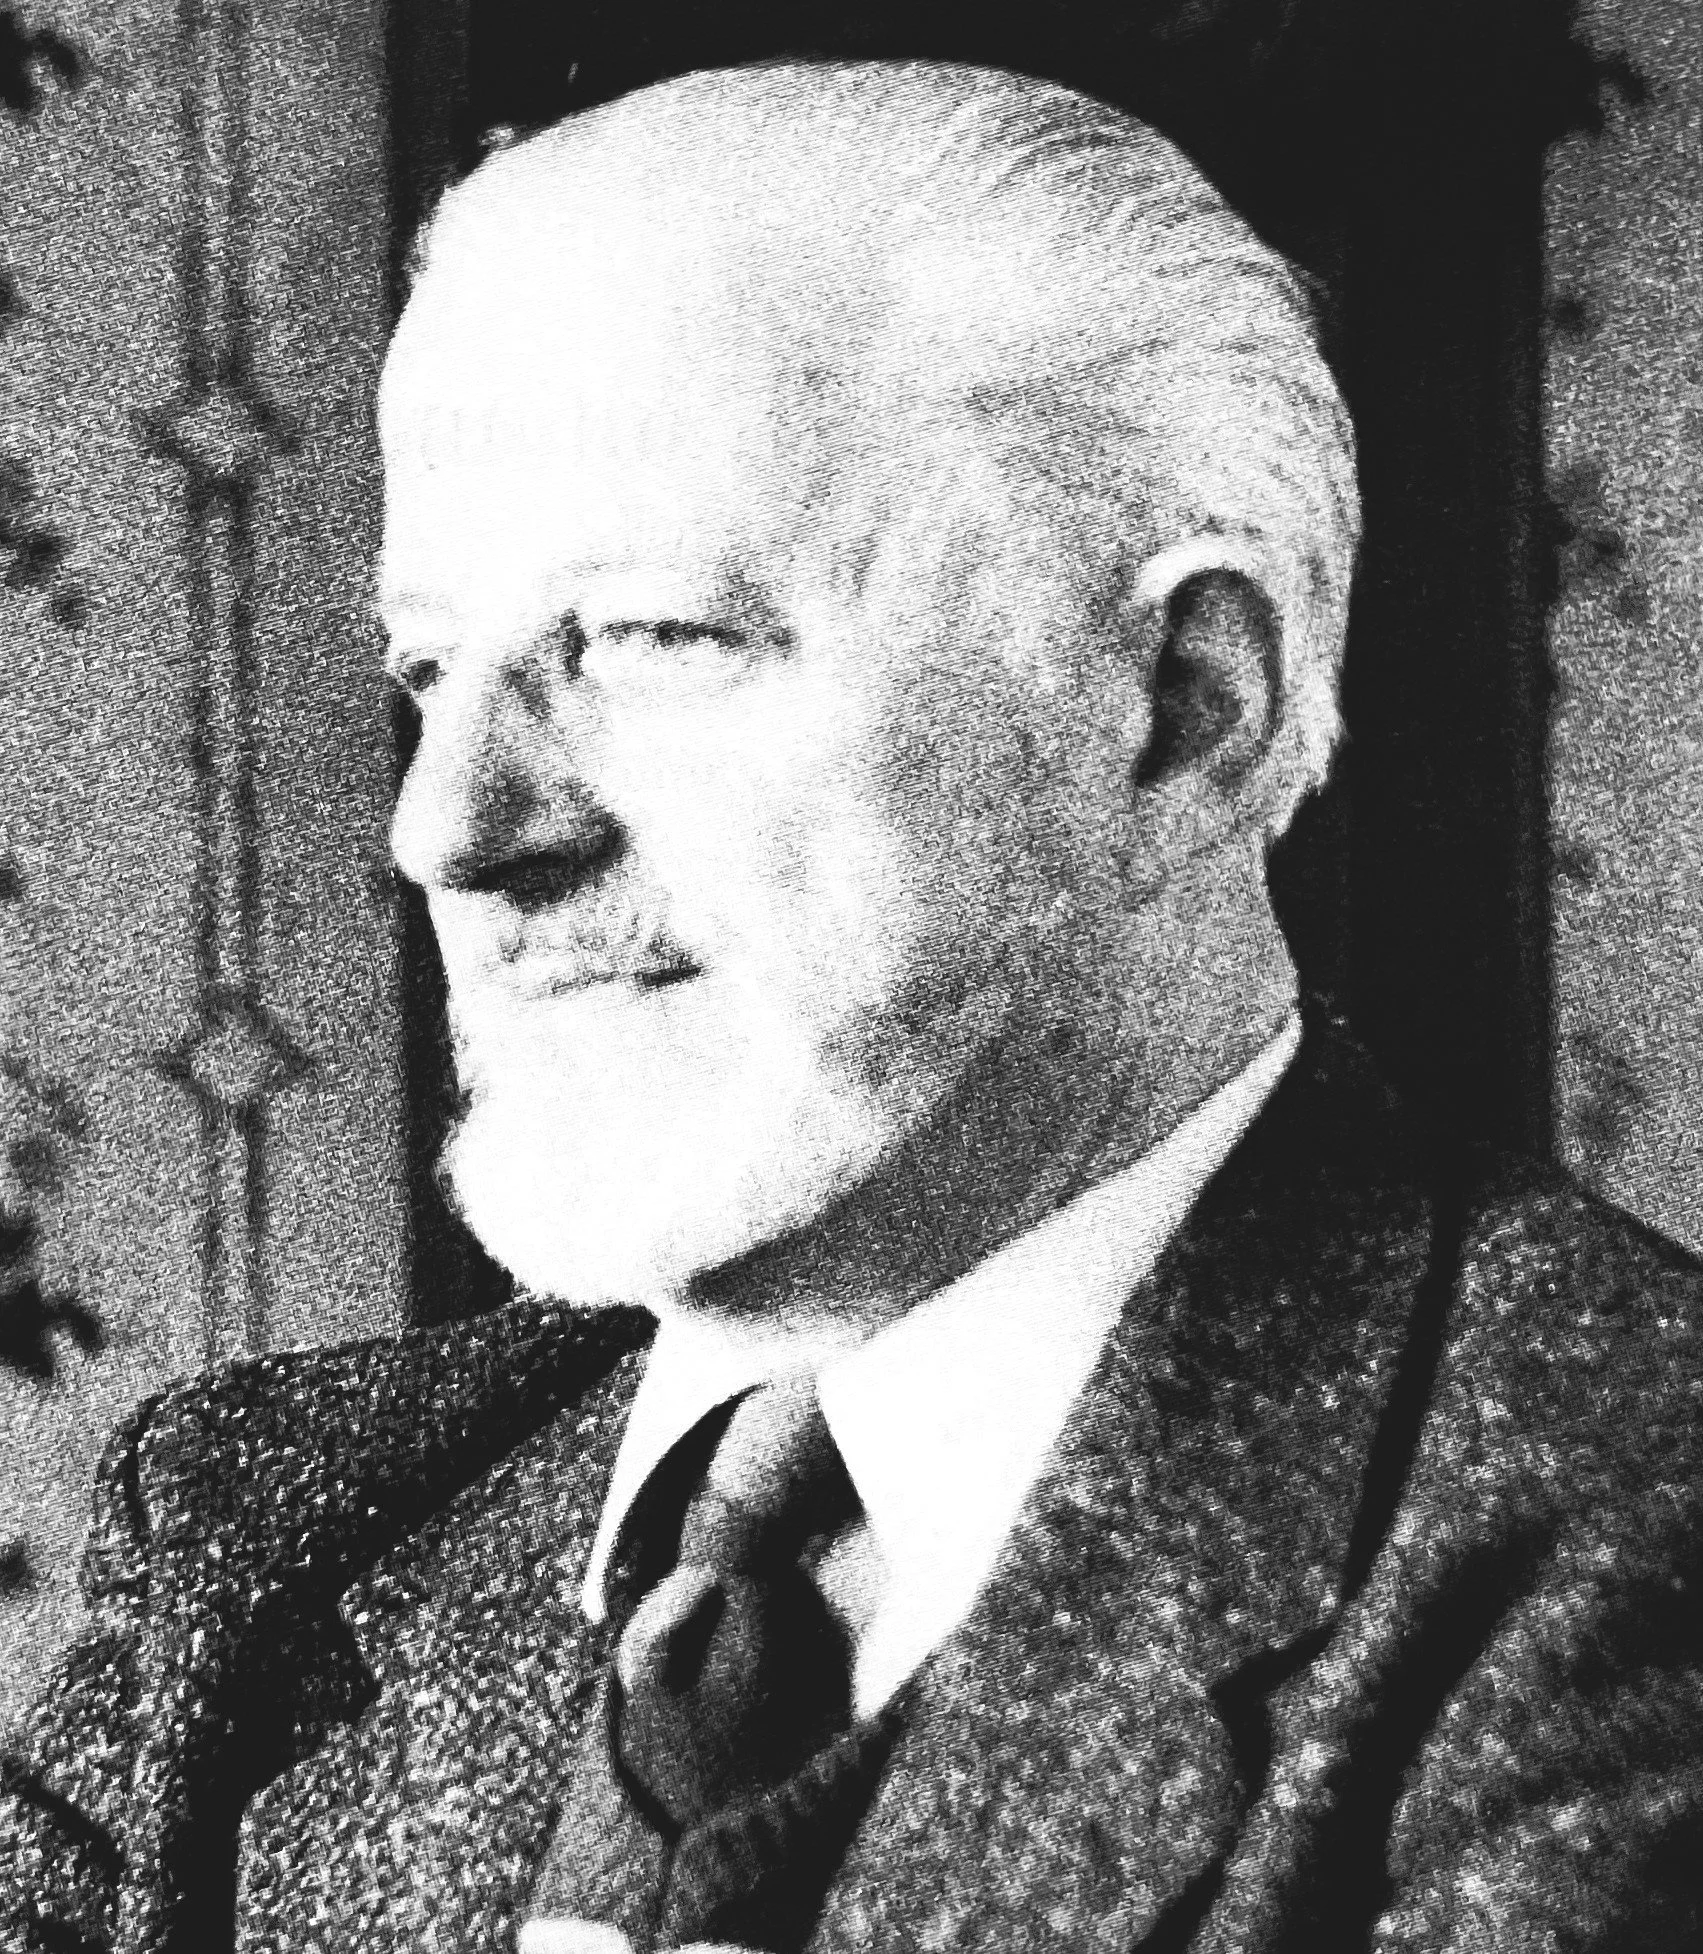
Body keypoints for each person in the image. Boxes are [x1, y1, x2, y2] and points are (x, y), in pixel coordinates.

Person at [4, 59, 1701, 1954]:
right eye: (427, 668)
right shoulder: (257, 1536)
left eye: (646, 634)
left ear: (1177, 712)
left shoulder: (1629, 1536)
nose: (449, 830)